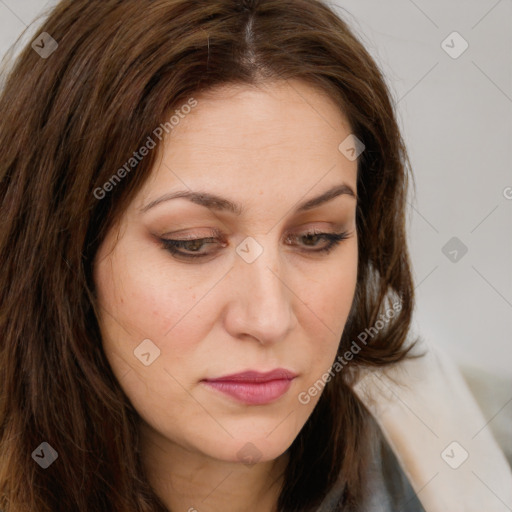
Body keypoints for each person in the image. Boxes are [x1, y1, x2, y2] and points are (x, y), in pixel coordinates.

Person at [0, 1, 510, 511]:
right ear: (62, 255)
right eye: (193, 242)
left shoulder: (473, 468)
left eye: (316, 237)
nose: (269, 318)